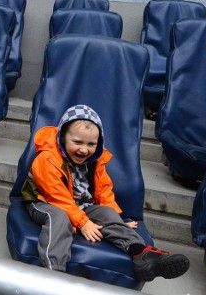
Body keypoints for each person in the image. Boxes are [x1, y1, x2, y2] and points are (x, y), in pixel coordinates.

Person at [21, 104, 190, 282]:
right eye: (77, 142)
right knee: (59, 218)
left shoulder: (96, 160)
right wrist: (83, 223)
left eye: (91, 144)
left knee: (107, 213)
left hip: (80, 205)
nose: (84, 149)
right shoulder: (47, 159)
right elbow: (57, 197)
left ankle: (142, 254)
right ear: (62, 137)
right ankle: (52, 272)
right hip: (44, 201)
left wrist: (117, 219)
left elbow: (103, 189)